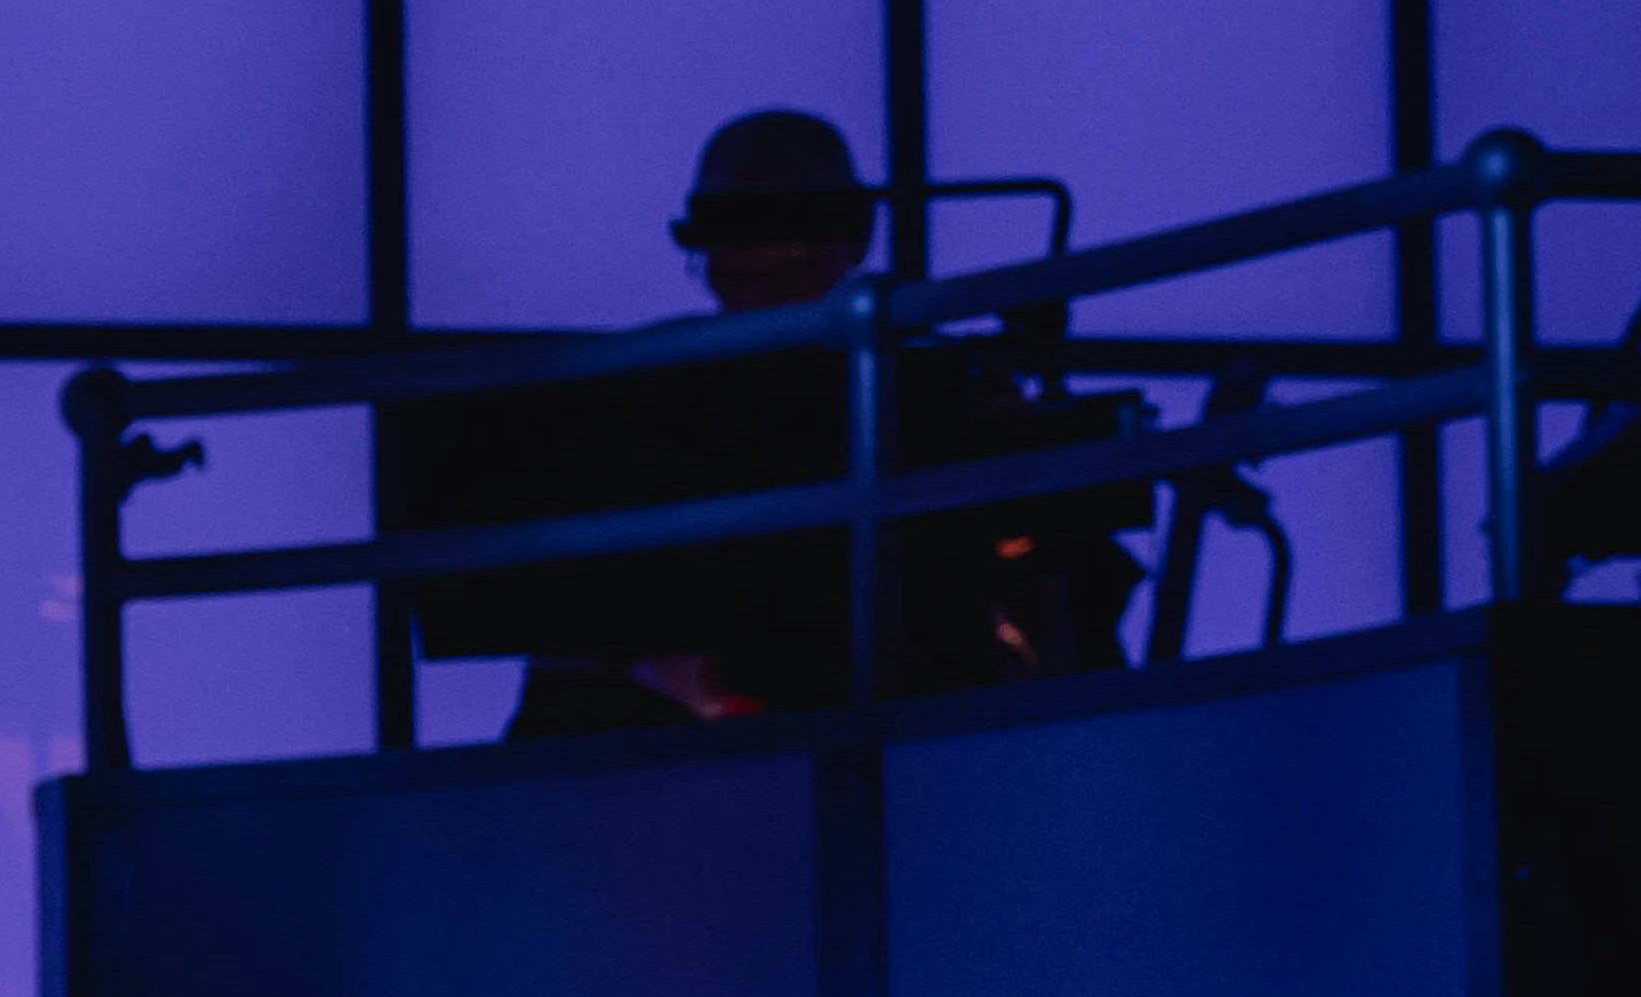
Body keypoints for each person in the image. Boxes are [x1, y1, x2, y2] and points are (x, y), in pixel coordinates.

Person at [389, 109, 1142, 731]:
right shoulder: (644, 405)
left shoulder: (917, 398)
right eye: (745, 259)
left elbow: (1030, 614)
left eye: (782, 255)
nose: (761, 278)